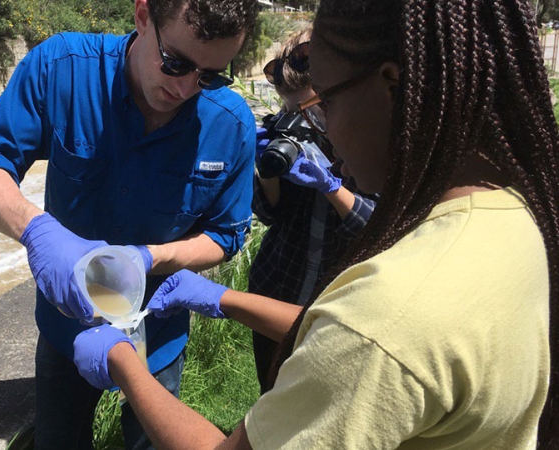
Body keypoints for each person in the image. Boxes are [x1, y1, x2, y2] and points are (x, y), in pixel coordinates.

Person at [71, 0, 559, 448]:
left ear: (392, 86)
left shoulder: (388, 317)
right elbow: (337, 332)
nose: (318, 125)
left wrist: (125, 363)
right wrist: (221, 296)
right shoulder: (517, 213)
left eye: (324, 101)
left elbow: (363, 337)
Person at [0, 0, 259, 448]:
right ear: (141, 15)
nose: (188, 87)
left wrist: (152, 258)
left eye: (209, 75)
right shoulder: (62, 68)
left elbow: (227, 234)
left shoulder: (231, 125)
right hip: (66, 327)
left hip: (157, 332)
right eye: (176, 63)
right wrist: (36, 230)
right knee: (59, 440)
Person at [249, 29, 376, 394]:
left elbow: (379, 229)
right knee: (271, 392)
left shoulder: (372, 143)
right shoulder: (295, 135)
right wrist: (267, 169)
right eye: (290, 111)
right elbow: (269, 215)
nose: (302, 123)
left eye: (310, 110)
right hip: (278, 287)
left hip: (338, 306)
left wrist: (332, 187)